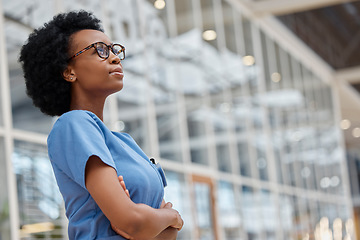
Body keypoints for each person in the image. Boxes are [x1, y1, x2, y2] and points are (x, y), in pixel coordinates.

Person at [19, 10, 183, 240]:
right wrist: (172, 216)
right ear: (68, 71)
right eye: (100, 51)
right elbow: (134, 223)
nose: (115, 58)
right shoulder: (73, 124)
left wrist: (152, 221)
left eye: (115, 50)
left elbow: (165, 235)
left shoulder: (125, 142)